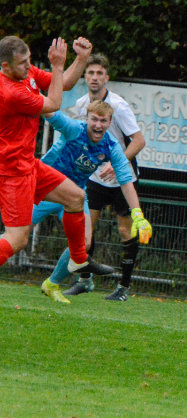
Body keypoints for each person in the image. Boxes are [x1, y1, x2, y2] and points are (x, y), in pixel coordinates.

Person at [0, 35, 113, 278]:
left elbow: (63, 84)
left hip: (29, 165)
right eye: (22, 63)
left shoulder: (26, 73)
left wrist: (81, 59)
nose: (29, 66)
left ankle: (78, 260)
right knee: (17, 239)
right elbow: (53, 103)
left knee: (75, 197)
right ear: (6, 66)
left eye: (29, 60)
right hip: (13, 173)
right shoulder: (9, 92)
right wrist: (58, 64)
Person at [36, 101, 152, 303]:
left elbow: (126, 182)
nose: (98, 125)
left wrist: (138, 216)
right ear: (86, 119)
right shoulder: (74, 129)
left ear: (109, 122)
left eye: (103, 121)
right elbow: (49, 112)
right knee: (18, 236)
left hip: (75, 197)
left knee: (84, 242)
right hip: (45, 188)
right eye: (94, 119)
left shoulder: (111, 146)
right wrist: (26, 93)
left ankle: (52, 284)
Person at [62, 53, 147, 301]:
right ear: (84, 77)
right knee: (85, 228)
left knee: (125, 230)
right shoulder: (81, 105)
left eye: (99, 73)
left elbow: (139, 140)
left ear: (106, 78)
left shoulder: (118, 106)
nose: (95, 77)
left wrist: (116, 161)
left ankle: (123, 288)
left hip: (122, 178)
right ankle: (84, 280)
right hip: (94, 176)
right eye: (90, 73)